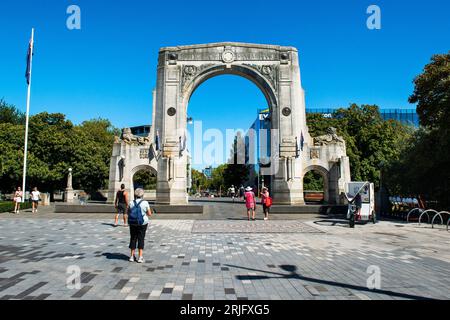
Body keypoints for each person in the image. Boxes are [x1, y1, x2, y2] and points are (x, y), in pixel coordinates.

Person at [128, 188, 153, 263]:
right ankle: (140, 257)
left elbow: (129, 212)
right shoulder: (145, 203)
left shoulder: (131, 202)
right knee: (141, 238)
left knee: (133, 238)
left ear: (135, 195)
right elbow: (149, 214)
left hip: (132, 222)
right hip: (142, 223)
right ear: (142, 195)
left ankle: (132, 256)